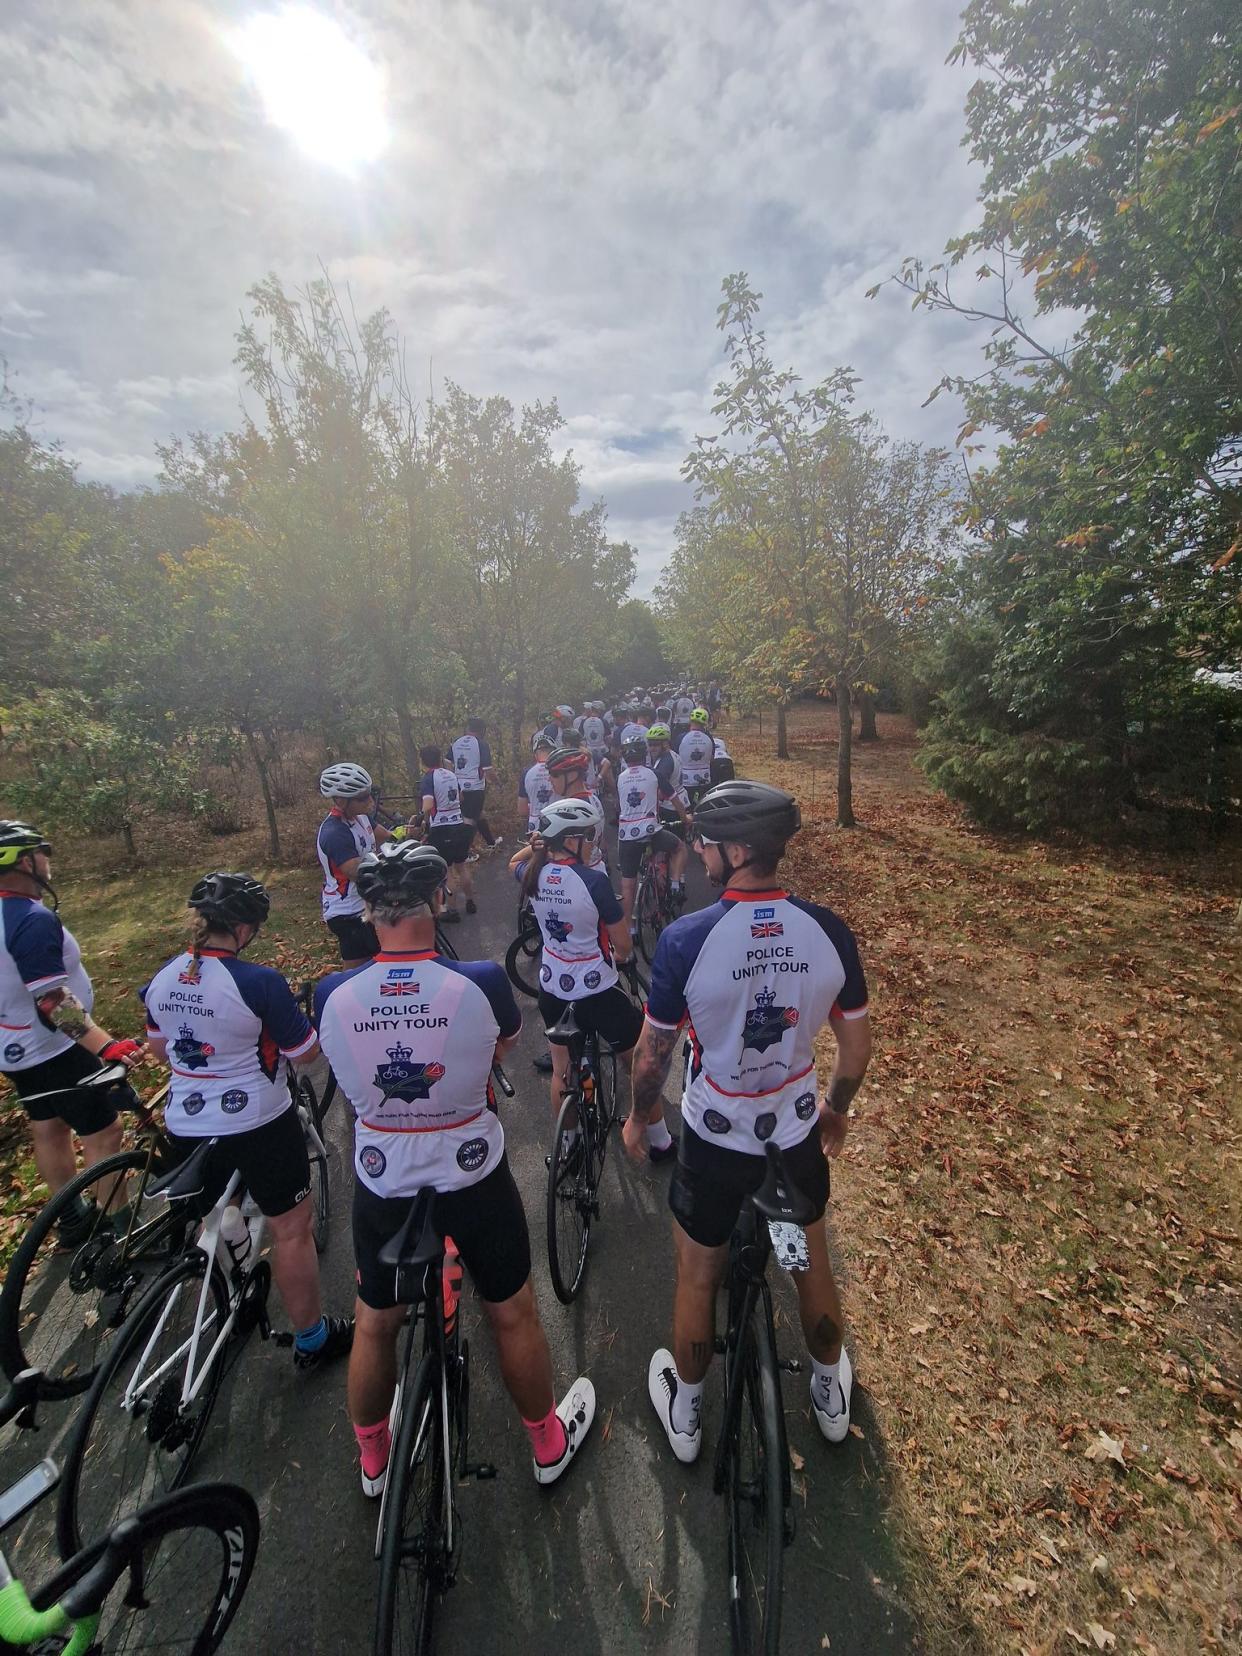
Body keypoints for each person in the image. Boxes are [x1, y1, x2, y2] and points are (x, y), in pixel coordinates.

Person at [314, 841, 596, 1494]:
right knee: (512, 1312)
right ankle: (547, 1444)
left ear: (365, 911)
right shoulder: (482, 982)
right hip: (471, 1173)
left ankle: (375, 1460)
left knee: (375, 1320)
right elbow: (499, 1043)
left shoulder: (331, 992)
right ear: (439, 899)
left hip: (384, 1177)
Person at [622, 781, 871, 1460]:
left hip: (716, 1135)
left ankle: (689, 1411)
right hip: (791, 1131)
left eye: (704, 840)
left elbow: (653, 1059)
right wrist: (836, 1111)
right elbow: (855, 1048)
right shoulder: (827, 929)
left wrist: (641, 1119)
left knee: (699, 1276)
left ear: (735, 850)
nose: (698, 850)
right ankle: (826, 1391)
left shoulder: (686, 940)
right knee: (810, 1263)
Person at [143, 873, 354, 1371]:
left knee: (217, 1213)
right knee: (290, 1230)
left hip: (186, 1122)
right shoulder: (258, 983)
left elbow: (159, 1049)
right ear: (242, 929)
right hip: (259, 1122)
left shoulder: (162, 977)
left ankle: (230, 1290)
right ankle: (312, 1338)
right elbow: (304, 1053)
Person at [508, 801, 675, 1163]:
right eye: (587, 836)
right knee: (639, 1062)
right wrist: (620, 954)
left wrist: (537, 845)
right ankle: (661, 1142)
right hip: (597, 991)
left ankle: (568, 1146)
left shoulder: (532, 873)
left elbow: (512, 863)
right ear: (571, 840)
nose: (592, 842)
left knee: (563, 1072)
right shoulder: (593, 881)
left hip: (552, 989)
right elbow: (624, 944)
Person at [0, 821, 142, 1234]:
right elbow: (53, 1002)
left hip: (13, 1046)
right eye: (42, 854)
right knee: (104, 1131)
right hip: (56, 1047)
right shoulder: (30, 918)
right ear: (27, 862)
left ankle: (70, 1217)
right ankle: (117, 1227)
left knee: (48, 1126)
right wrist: (105, 1047)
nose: (47, 862)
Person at [317, 763, 391, 967]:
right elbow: (355, 870)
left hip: (367, 900)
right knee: (360, 971)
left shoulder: (361, 816)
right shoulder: (334, 832)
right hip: (347, 911)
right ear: (341, 800)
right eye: (362, 797)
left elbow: (387, 836)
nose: (370, 800)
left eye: (370, 794)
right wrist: (391, 864)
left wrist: (408, 834)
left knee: (386, 961)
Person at [615, 737, 688, 934]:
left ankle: (630, 928)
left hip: (626, 836)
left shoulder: (620, 778)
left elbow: (619, 807)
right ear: (644, 754)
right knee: (680, 847)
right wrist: (686, 819)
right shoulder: (655, 775)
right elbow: (676, 801)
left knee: (628, 884)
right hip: (652, 831)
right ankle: (674, 884)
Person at [419, 745, 476, 920]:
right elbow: (461, 797)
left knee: (447, 870)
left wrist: (422, 819)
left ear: (423, 761)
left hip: (441, 828)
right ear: (440, 758)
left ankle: (451, 910)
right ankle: (470, 901)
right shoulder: (450, 774)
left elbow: (428, 805)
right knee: (462, 865)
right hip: (458, 823)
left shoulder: (428, 778)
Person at [451, 717, 501, 853]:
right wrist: (497, 783)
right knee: (469, 819)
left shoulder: (456, 742)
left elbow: (447, 763)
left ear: (467, 728)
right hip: (475, 787)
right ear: (482, 730)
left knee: (477, 814)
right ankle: (463, 853)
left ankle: (491, 842)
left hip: (458, 787)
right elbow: (488, 769)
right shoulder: (481, 744)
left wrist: (453, 782)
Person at [520, 734, 556, 833]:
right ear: (554, 752)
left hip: (535, 823)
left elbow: (522, 810)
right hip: (558, 820)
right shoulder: (560, 770)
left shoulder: (527, 773)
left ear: (535, 755)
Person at [678, 709, 716, 804]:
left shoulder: (681, 737)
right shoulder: (709, 738)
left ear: (690, 721)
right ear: (705, 723)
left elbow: (675, 758)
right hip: (705, 779)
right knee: (702, 804)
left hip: (685, 781)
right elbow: (712, 758)